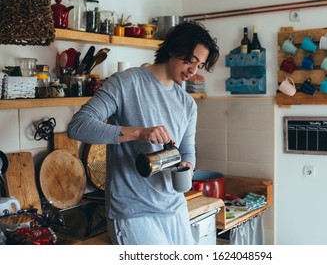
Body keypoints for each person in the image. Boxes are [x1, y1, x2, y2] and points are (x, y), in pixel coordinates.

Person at [67, 21, 219, 245]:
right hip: (133, 213)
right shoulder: (126, 82)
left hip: (174, 208)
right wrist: (138, 133)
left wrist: (187, 165)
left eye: (200, 65)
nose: (193, 71)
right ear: (173, 49)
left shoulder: (187, 103)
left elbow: (188, 151)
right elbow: (78, 126)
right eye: (191, 60)